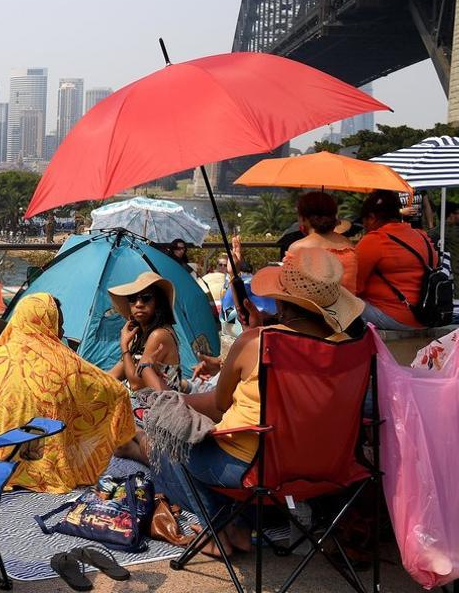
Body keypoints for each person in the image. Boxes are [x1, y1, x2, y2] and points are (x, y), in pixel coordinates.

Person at [149, 248, 363, 558]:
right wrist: (263, 328)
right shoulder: (350, 346)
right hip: (331, 467)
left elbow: (219, 405)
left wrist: (172, 401)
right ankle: (238, 529)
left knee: (167, 442)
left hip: (259, 469)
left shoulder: (254, 342)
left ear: (280, 299)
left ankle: (219, 531)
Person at [0, 294, 134, 493]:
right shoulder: (62, 363)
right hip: (41, 467)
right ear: (45, 323)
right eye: (58, 324)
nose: (61, 331)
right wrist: (126, 352)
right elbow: (113, 390)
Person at [356, 189, 432, 330]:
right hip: (427, 316)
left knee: (340, 301)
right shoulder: (423, 237)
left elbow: (354, 287)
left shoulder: (374, 240)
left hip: (394, 317)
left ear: (372, 217)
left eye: (364, 222)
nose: (365, 227)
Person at [107, 271, 183, 393]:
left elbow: (136, 384)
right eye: (132, 299)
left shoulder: (159, 335)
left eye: (146, 298)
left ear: (158, 302)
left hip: (159, 407)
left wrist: (124, 347)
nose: (139, 304)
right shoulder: (139, 337)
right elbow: (114, 374)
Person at [286, 191, 357, 292]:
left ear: (303, 218)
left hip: (311, 307)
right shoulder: (348, 246)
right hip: (349, 306)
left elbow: (290, 287)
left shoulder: (298, 248)